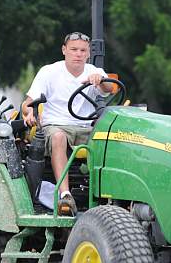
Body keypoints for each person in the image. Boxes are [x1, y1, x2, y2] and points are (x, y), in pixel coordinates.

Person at [22, 32, 113, 216]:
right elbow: (28, 103)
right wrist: (30, 112)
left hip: (87, 128)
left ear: (88, 53)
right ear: (64, 50)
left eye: (82, 50)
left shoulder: (95, 72)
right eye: (73, 49)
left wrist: (100, 82)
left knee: (115, 137)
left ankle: (110, 197)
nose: (78, 54)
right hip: (57, 125)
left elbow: (110, 89)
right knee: (58, 136)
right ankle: (65, 195)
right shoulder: (49, 72)